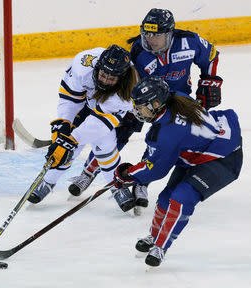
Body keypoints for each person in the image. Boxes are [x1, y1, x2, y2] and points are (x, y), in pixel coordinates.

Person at [76, 8, 225, 212]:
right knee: (120, 132)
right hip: (141, 100)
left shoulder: (190, 41)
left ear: (170, 34)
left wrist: (211, 82)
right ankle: (90, 170)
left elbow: (211, 56)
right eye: (147, 34)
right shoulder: (137, 51)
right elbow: (124, 79)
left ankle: (142, 183)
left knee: (162, 142)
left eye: (157, 35)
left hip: (176, 101)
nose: (150, 40)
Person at [113, 76, 242, 267]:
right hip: (201, 150)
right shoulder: (175, 98)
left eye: (141, 106)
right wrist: (131, 173)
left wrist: (127, 175)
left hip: (222, 157)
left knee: (181, 198)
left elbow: (155, 169)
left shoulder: (168, 132)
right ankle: (155, 236)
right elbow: (156, 160)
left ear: (156, 103)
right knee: (166, 197)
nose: (137, 110)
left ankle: (161, 247)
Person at [28, 44, 140, 213]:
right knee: (65, 144)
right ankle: (48, 180)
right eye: (103, 74)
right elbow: (70, 99)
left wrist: (70, 140)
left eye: (111, 79)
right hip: (86, 101)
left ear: (122, 77)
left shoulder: (128, 90)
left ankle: (116, 186)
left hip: (106, 112)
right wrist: (63, 127)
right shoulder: (84, 64)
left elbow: (98, 124)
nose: (105, 80)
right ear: (98, 67)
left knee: (104, 146)